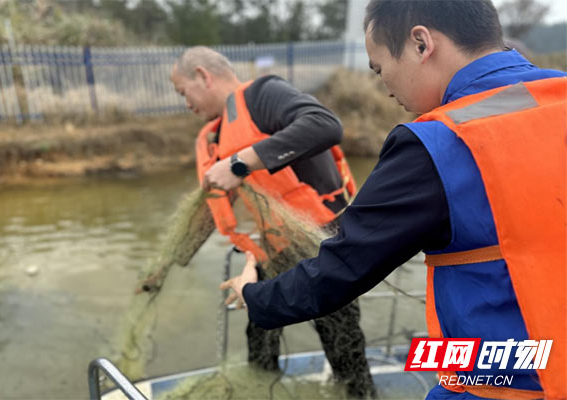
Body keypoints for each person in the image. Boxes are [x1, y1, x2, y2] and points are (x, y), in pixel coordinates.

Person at [220, 1, 566, 399]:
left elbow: (338, 271)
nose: (385, 89)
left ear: (421, 43)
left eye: (381, 69)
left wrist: (252, 294)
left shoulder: (438, 144)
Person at [170, 46, 377, 399]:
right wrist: (167, 265)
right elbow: (212, 207)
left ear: (203, 76)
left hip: (322, 243)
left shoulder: (263, 95)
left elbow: (325, 125)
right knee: (260, 335)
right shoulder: (216, 136)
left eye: (182, 92)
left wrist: (239, 163)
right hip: (274, 249)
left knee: (341, 343)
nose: (185, 103)